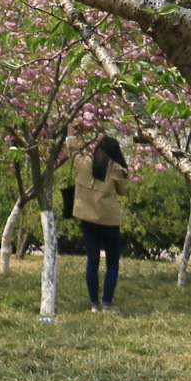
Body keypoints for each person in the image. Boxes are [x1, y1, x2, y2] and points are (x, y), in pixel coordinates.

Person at [72, 133, 130, 312]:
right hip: (109, 222)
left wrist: (71, 134)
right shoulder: (116, 170)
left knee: (93, 261)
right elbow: (124, 191)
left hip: (88, 219)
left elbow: (73, 152)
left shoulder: (85, 164)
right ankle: (106, 304)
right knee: (112, 263)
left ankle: (93, 304)